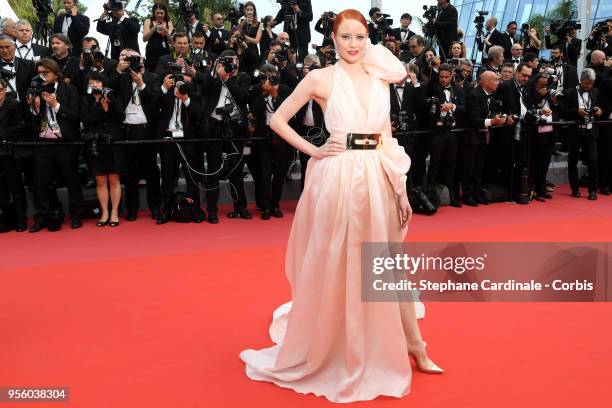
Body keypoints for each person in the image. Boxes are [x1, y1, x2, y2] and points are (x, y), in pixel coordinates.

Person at [239, 9, 441, 404]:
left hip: (378, 174)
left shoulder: (379, 76)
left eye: (360, 37)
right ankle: (341, 347)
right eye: (346, 37)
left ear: (369, 40)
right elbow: (278, 120)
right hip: (338, 177)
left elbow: (385, 135)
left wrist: (399, 188)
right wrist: (315, 149)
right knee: (340, 261)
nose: (353, 45)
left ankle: (415, 346)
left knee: (386, 264)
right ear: (333, 39)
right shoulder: (320, 78)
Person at [80, 72, 128, 227]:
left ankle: (114, 212)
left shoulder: (112, 96)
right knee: (100, 179)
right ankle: (104, 212)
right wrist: (100, 107)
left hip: (114, 141)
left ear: (103, 83)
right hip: (95, 143)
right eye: (91, 81)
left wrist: (108, 104)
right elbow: (86, 119)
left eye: (97, 81)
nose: (94, 84)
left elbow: (121, 116)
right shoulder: (85, 100)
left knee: (114, 178)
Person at [143, 3, 173, 73]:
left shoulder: (169, 23)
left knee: (165, 71)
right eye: (157, 13)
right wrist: (153, 29)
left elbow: (171, 42)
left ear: (165, 13)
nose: (159, 15)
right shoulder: (148, 21)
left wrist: (166, 32)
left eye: (162, 13)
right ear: (154, 13)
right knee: (152, 71)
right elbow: (144, 39)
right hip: (151, 52)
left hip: (165, 51)